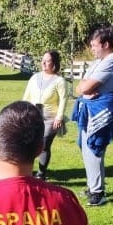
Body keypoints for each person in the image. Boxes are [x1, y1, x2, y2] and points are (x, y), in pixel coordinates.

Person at [72, 26, 113, 207]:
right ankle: (93, 186)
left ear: (105, 44)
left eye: (95, 45)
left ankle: (97, 193)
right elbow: (81, 86)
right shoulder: (99, 61)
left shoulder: (111, 61)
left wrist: (84, 89)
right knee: (86, 147)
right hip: (89, 108)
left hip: (100, 110)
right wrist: (83, 89)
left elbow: (85, 87)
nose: (92, 48)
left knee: (94, 148)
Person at [22, 50, 68, 180]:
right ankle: (27, 170)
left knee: (44, 144)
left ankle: (41, 174)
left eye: (47, 61)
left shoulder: (59, 81)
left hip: (50, 118)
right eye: (42, 59)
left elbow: (64, 99)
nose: (43, 62)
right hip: (33, 115)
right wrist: (22, 110)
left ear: (54, 64)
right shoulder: (34, 77)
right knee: (30, 143)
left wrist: (59, 117)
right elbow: (26, 96)